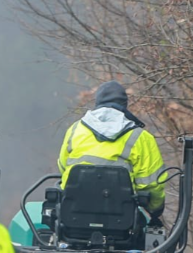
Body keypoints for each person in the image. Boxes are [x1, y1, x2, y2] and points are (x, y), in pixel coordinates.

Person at [57, 80, 167, 222]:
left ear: (97, 103)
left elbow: (63, 167)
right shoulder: (140, 137)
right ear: (124, 106)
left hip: (72, 219)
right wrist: (155, 210)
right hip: (122, 225)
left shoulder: (75, 129)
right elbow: (152, 184)